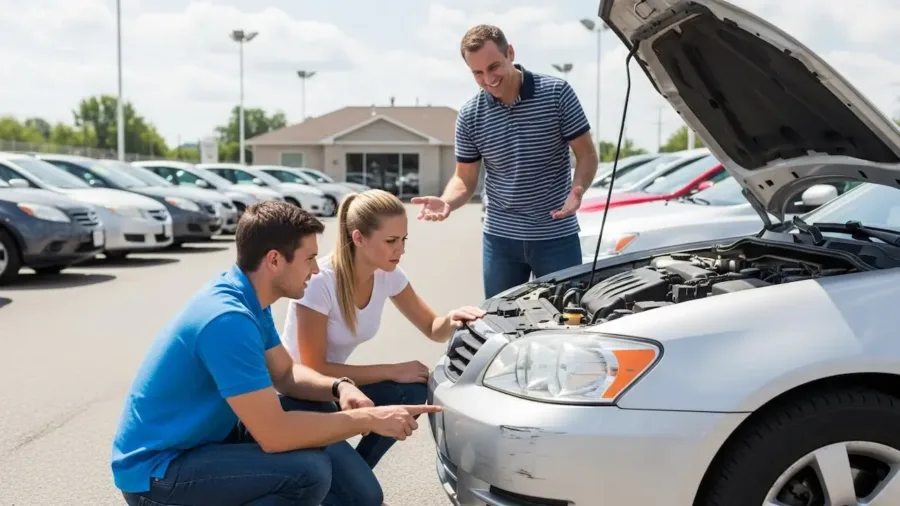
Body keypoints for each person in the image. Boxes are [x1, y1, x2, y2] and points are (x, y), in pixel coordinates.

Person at [110, 200, 441, 506]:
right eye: (309, 258)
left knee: (349, 488)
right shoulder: (228, 320)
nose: (315, 269)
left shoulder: (250, 299)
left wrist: (340, 386)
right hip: (158, 473)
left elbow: (286, 374)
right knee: (308, 472)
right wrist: (367, 419)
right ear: (274, 260)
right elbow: (275, 435)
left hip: (208, 439)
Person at [282, 189, 486, 469]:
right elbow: (314, 368)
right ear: (358, 238)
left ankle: (357, 474)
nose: (400, 250)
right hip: (298, 395)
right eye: (391, 241)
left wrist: (454, 318)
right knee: (365, 494)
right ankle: (351, 485)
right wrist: (391, 370)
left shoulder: (387, 274)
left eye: (403, 240)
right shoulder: (320, 281)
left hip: (337, 390)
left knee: (413, 389)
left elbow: (433, 328)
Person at [412, 24, 599, 299]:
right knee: (502, 323)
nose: (488, 79)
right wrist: (447, 201)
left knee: (568, 320)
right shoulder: (469, 116)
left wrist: (577, 189)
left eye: (493, 66)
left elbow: (587, 155)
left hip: (555, 236)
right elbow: (464, 178)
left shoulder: (557, 93)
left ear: (510, 53)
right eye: (477, 73)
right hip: (500, 240)